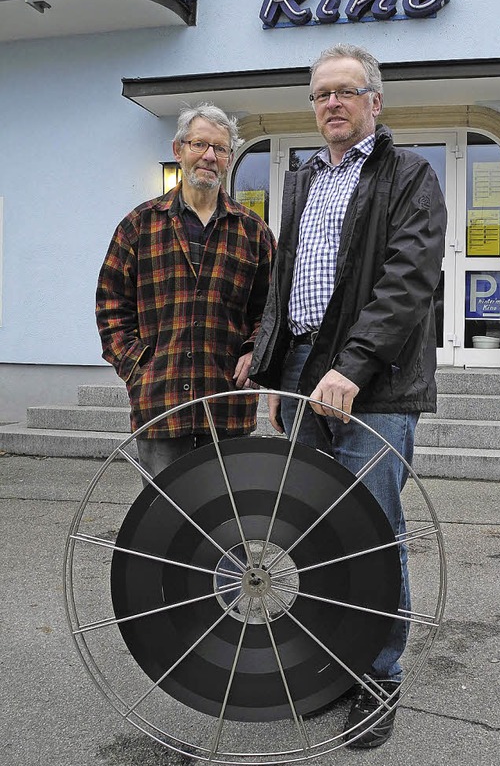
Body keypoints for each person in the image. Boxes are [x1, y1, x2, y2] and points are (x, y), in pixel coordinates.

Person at [249, 44, 446, 748]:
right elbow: (283, 286)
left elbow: (409, 279)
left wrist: (354, 365)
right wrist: (275, 374)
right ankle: (334, 662)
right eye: (320, 93)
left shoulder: (411, 174)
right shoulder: (301, 180)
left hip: (378, 380)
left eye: (345, 90)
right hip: (305, 373)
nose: (331, 103)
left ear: (375, 102)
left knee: (371, 529)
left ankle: (377, 675)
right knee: (316, 530)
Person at [96, 104, 276, 477]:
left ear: (228, 159)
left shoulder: (253, 232)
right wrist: (138, 368)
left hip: (227, 400)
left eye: (221, 149)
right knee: (166, 522)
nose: (209, 156)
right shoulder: (139, 226)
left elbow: (272, 309)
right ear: (178, 150)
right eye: (199, 144)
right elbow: (111, 306)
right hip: (161, 402)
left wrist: (255, 353)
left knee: (231, 519)